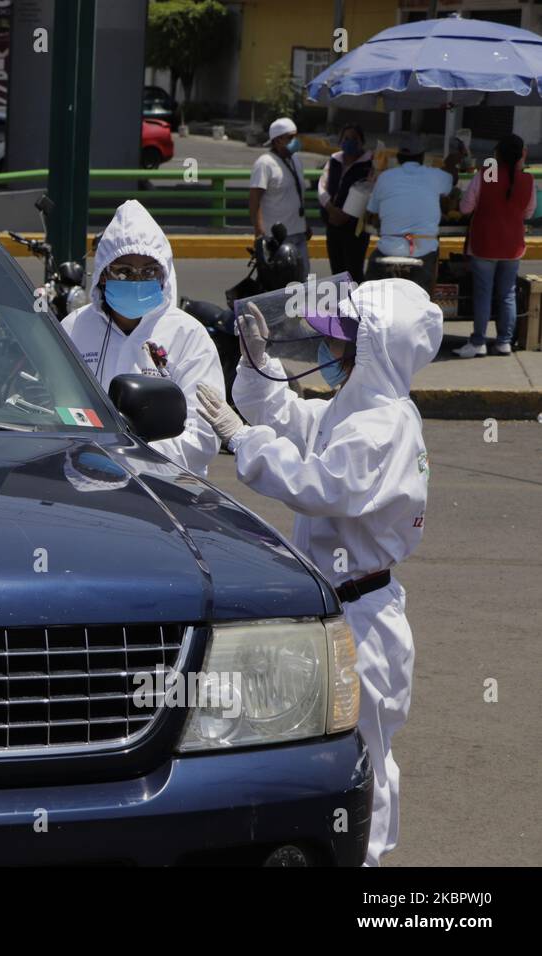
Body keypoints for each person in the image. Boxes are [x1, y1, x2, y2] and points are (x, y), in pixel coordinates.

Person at [195, 278, 442, 867]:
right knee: (334, 753)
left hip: (365, 616)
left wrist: (241, 438)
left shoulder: (384, 426)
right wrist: (260, 364)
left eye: (345, 342)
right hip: (343, 608)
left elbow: (317, 485)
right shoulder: (356, 410)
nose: (331, 353)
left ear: (376, 350)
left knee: (367, 757)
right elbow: (289, 416)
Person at [61, 200, 224, 476]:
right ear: (102, 275)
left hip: (166, 491)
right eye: (123, 271)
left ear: (165, 275)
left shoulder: (188, 335)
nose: (137, 280)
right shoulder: (74, 328)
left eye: (149, 271)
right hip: (82, 481)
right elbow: (52, 405)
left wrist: (128, 458)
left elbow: (203, 436)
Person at [454, 133, 535, 358]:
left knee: (484, 294)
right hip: (512, 246)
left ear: (497, 154)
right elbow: (528, 212)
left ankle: (478, 341)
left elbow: (466, 208)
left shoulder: (489, 172)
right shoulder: (527, 180)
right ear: (521, 155)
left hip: (485, 243)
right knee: (507, 294)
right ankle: (503, 342)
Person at [365, 133, 453, 292]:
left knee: (369, 289)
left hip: (389, 250)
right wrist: (454, 160)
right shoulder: (434, 175)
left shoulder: (385, 177)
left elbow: (371, 212)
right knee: (425, 293)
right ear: (422, 157)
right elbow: (451, 181)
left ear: (398, 158)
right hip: (423, 251)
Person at [249, 116, 310, 279]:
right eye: (290, 137)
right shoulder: (265, 163)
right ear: (277, 141)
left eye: (296, 136)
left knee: (302, 281)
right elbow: (255, 200)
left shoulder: (295, 160)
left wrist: (306, 224)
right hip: (277, 238)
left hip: (299, 233)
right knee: (280, 284)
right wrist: (259, 234)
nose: (295, 141)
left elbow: (297, 196)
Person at [318, 124, 374, 282]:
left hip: (355, 229)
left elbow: (369, 191)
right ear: (340, 141)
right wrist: (331, 209)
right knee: (337, 273)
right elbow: (322, 186)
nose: (349, 142)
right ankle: (341, 306)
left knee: (354, 272)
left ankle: (356, 305)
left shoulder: (370, 164)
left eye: (354, 139)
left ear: (362, 142)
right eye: (346, 138)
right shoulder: (334, 160)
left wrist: (346, 216)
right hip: (333, 224)